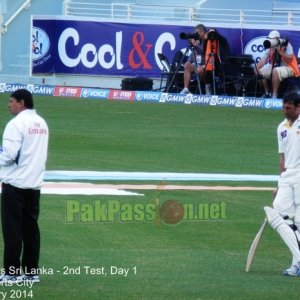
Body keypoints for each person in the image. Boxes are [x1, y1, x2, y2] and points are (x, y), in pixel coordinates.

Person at [0, 89, 49, 284]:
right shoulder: (42, 123)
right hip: (34, 184)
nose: (8, 105)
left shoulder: (16, 124)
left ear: (21, 103)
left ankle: (11, 272)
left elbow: (9, 154)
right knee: (30, 229)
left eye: (11, 101)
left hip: (15, 184)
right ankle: (31, 272)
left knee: (12, 230)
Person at [264, 89, 300, 276]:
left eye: (289, 108)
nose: (285, 111)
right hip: (288, 176)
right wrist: (279, 184)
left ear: (298, 107)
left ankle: (296, 265)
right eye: (283, 108)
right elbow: (282, 159)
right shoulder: (282, 127)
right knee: (278, 211)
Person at [180, 25, 230, 95]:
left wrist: (196, 45)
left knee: (200, 69)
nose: (196, 36)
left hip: (210, 65)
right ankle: (186, 89)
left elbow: (205, 52)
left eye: (197, 33)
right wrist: (188, 61)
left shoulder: (211, 39)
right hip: (199, 65)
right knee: (187, 65)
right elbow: (194, 54)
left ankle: (207, 86)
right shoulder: (198, 41)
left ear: (202, 32)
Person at [256, 30, 300, 99]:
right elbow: (263, 60)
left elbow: (290, 59)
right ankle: (267, 93)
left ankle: (274, 95)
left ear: (277, 39)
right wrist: (256, 68)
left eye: (272, 38)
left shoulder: (286, 44)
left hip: (290, 67)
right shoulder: (270, 46)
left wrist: (280, 52)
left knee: (275, 70)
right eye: (270, 38)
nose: (270, 40)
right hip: (276, 66)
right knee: (260, 71)